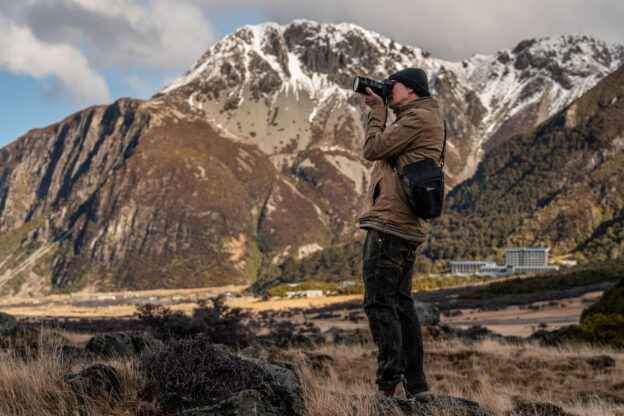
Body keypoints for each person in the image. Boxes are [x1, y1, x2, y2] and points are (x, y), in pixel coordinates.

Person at [356, 68, 445, 399]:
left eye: (394, 85)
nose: (388, 89)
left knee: (379, 302)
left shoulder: (418, 118)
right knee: (401, 304)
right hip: (404, 224)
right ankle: (416, 387)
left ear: (412, 90)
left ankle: (388, 386)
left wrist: (377, 112)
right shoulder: (419, 117)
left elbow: (373, 149)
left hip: (391, 225)